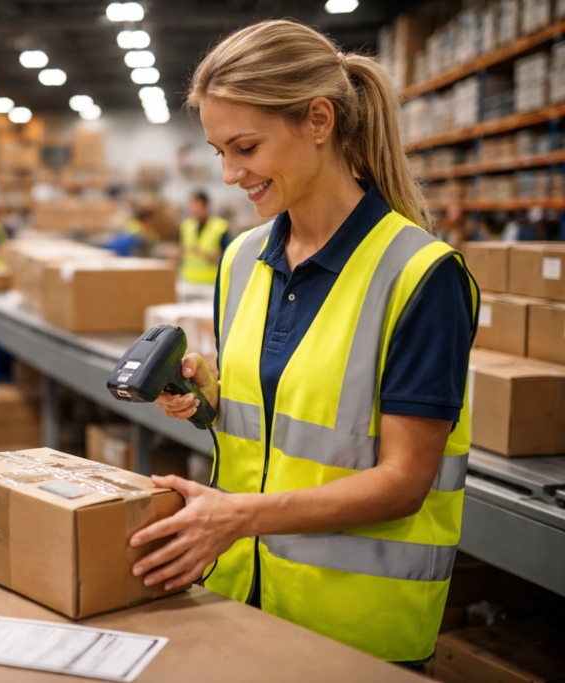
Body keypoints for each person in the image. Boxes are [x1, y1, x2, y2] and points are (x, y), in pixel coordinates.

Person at [131, 21, 478, 670]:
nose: (232, 173)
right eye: (219, 153)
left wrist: (235, 517)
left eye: (247, 147)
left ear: (319, 119)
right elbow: (280, 422)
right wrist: (207, 396)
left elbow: (405, 481)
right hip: (240, 599)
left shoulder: (422, 277)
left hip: (356, 632)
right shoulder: (242, 259)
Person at [179, 191, 229, 283]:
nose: (194, 209)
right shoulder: (186, 226)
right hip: (189, 280)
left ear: (206, 206)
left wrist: (204, 254)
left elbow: (227, 256)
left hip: (211, 281)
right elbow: (181, 249)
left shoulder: (220, 227)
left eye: (197, 205)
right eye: (192, 205)